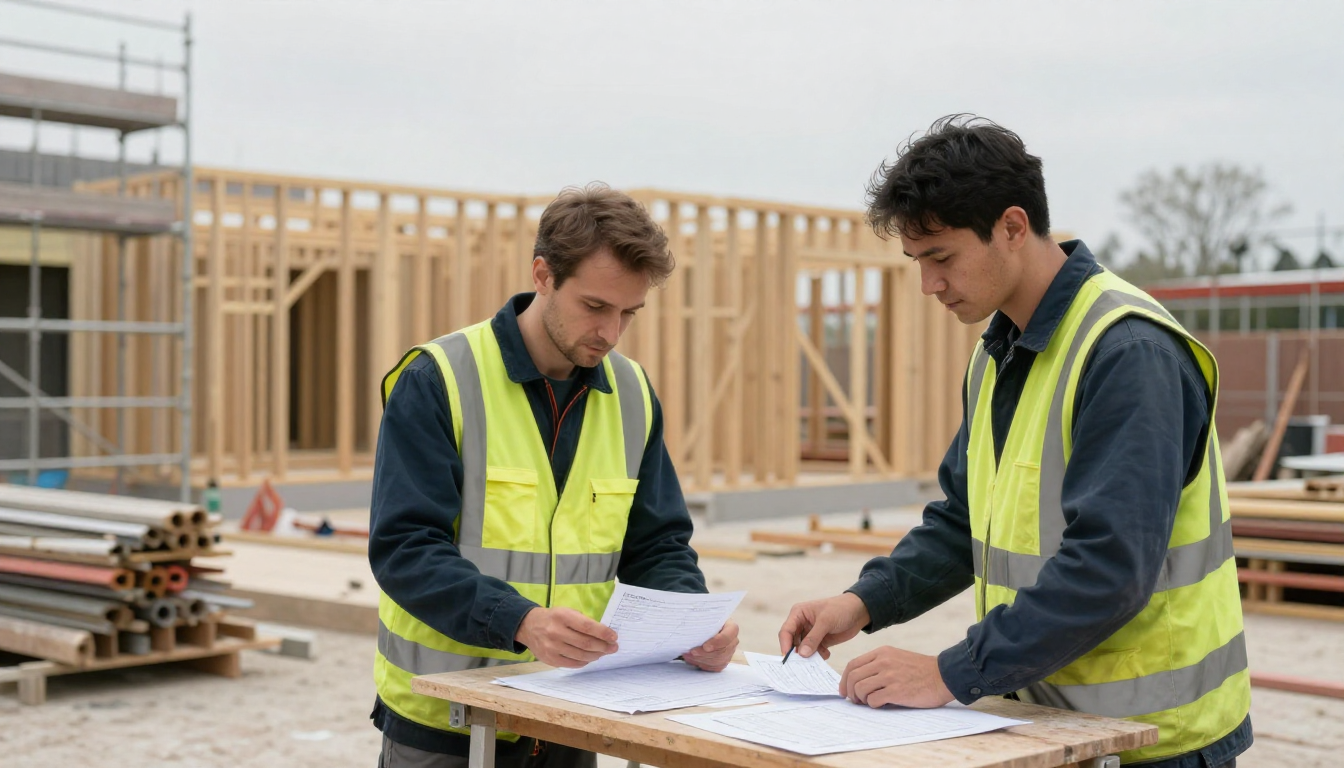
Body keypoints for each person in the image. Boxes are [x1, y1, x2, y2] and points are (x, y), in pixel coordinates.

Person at [778, 115, 1252, 767]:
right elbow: (963, 519)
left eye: (941, 258)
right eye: (917, 262)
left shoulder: (1128, 352)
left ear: (1011, 226)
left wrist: (950, 672)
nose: (929, 286)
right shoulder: (1000, 350)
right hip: (1051, 723)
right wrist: (864, 601)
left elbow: (1110, 569)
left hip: (1154, 739)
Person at [369, 183, 739, 768]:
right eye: (595, 307)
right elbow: (405, 549)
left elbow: (658, 544)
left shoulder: (633, 394)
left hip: (572, 716)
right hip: (447, 722)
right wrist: (519, 621)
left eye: (628, 314)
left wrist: (689, 621)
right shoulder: (439, 378)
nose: (611, 333)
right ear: (543, 274)